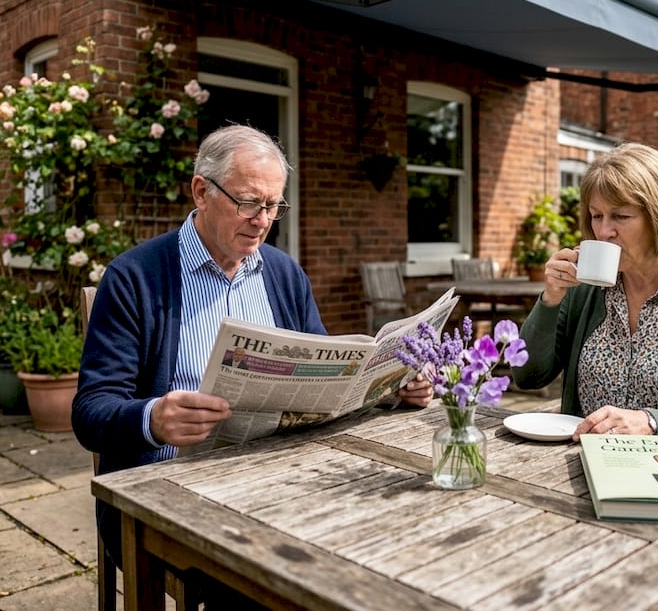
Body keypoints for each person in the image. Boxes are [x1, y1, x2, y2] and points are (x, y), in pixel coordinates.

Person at [73, 124, 433, 565]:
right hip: (169, 489)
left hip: (278, 476)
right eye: (247, 202)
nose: (262, 220)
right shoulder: (135, 277)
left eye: (272, 206)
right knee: (285, 567)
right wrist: (154, 419)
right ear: (201, 191)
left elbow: (326, 384)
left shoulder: (283, 273)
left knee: (386, 527)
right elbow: (91, 412)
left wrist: (392, 387)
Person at [511, 143, 658, 452]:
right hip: (585, 461)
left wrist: (648, 423)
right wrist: (551, 298)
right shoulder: (585, 285)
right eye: (597, 216)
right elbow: (527, 376)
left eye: (620, 216)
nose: (604, 231)